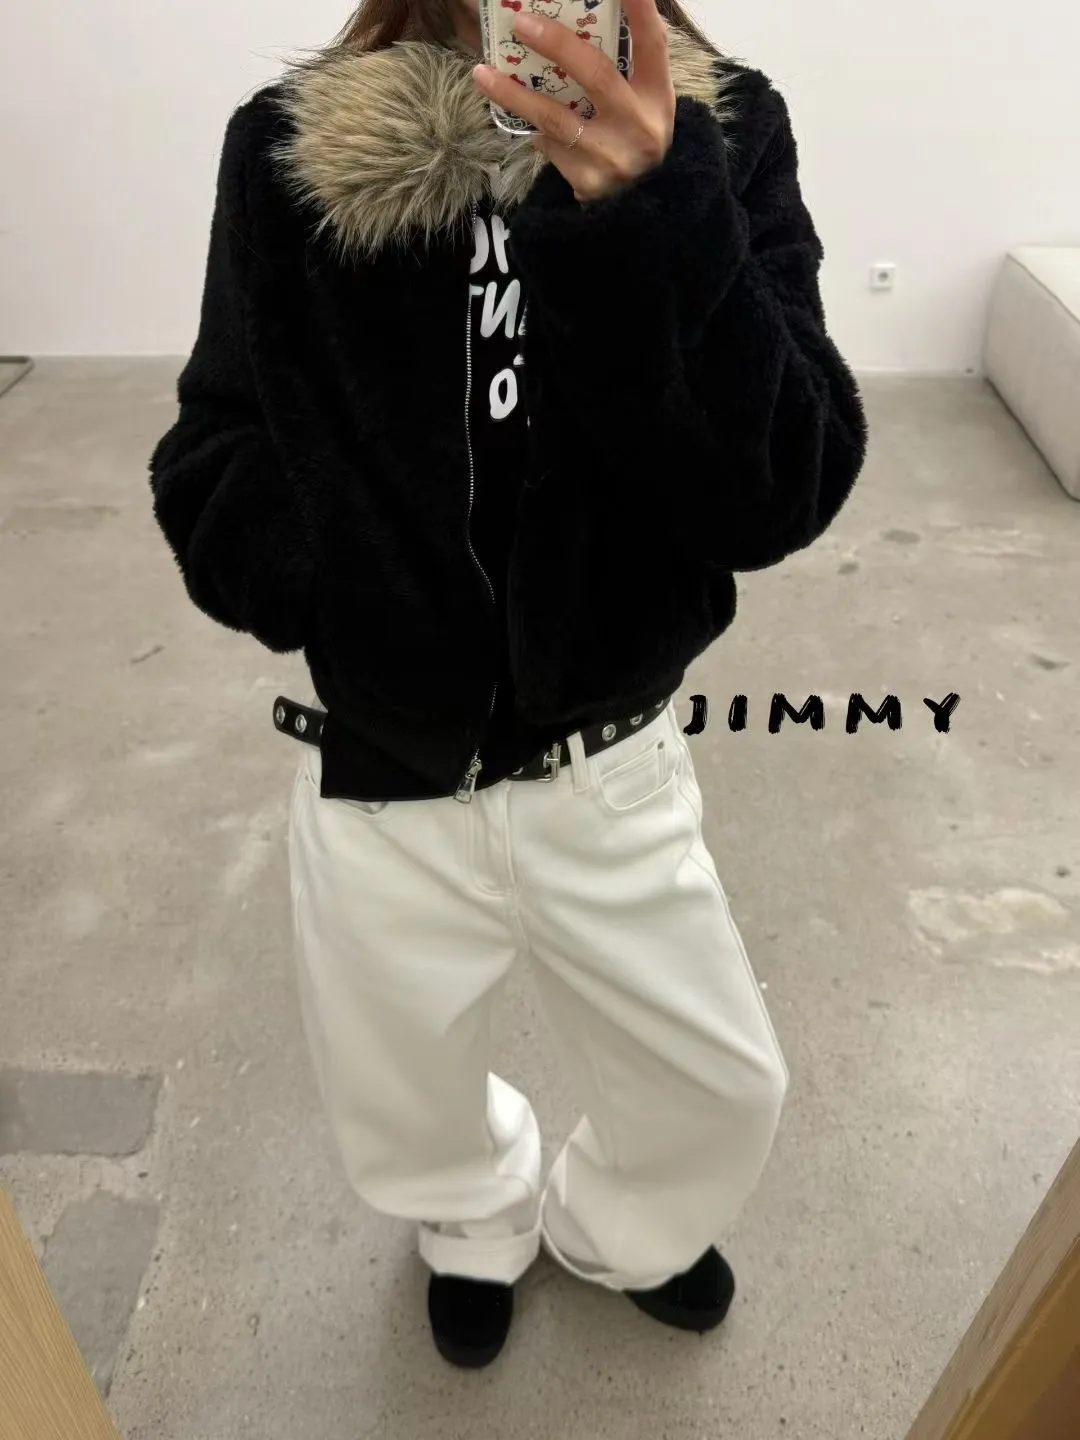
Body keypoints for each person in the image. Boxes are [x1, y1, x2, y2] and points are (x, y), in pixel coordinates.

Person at [150, 0, 867, 1370]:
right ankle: (473, 1224)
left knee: (719, 1088)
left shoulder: (726, 130)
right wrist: (327, 581)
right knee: (402, 1104)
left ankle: (620, 1230)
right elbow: (213, 444)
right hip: (380, 768)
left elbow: (788, 477)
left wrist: (660, 212)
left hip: (612, 762)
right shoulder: (293, 146)